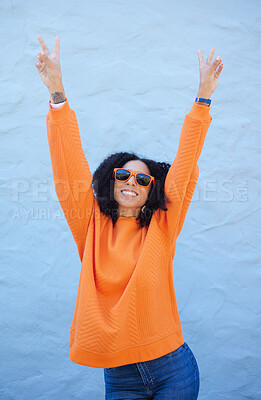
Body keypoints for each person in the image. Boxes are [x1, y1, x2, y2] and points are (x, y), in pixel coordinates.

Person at [35, 35, 223, 400]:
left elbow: (184, 166)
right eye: (123, 175)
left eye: (142, 178)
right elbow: (68, 165)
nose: (131, 182)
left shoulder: (162, 227)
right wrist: (57, 93)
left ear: (151, 188)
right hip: (120, 376)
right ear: (111, 181)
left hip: (173, 367)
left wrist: (202, 100)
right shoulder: (91, 225)